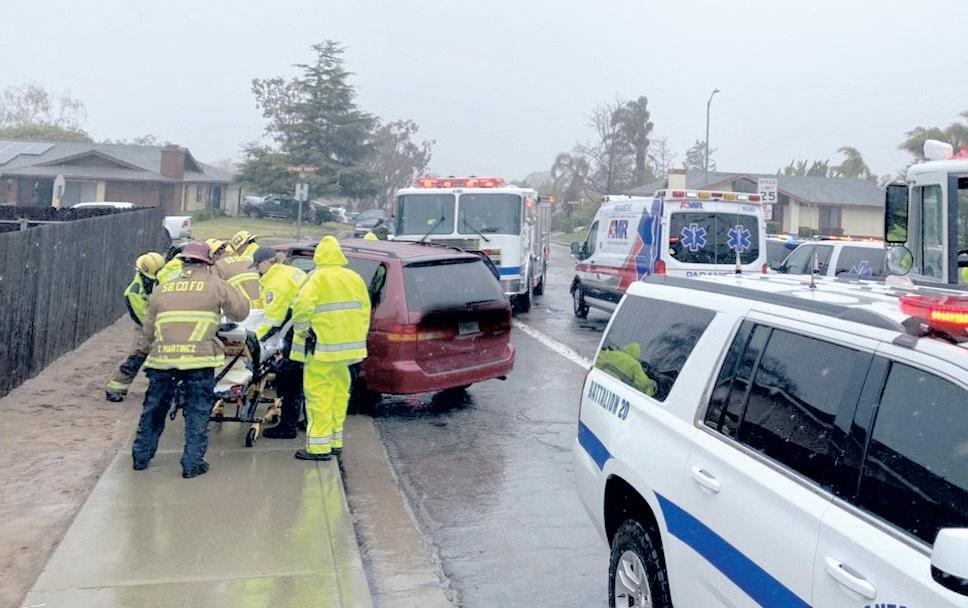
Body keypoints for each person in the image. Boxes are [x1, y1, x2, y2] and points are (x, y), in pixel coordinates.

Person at [132, 241, 250, 478]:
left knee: (154, 409)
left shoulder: (163, 288)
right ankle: (192, 464)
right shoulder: (216, 285)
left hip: (162, 361)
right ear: (207, 264)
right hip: (199, 361)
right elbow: (241, 312)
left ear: (182, 262)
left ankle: (141, 458)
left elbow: (148, 330)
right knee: (197, 412)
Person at [290, 236, 371, 460]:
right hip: (347, 352)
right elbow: (365, 310)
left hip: (322, 350)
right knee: (339, 395)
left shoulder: (316, 277)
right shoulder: (354, 278)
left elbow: (302, 305)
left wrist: (302, 329)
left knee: (318, 398)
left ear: (319, 256)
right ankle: (335, 441)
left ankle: (318, 448)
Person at [250, 246, 308, 439]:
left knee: (292, 380)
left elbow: (273, 322)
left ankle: (287, 427)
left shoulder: (275, 283)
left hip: (299, 334)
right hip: (311, 330)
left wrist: (253, 339)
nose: (257, 271)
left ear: (266, 263)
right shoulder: (291, 272)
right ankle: (308, 421)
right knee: (307, 381)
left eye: (257, 266)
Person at [104, 252, 166, 402]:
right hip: (146, 326)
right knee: (138, 354)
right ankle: (115, 387)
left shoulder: (160, 281)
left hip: (163, 322)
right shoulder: (134, 292)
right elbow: (144, 318)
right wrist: (158, 331)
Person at [211, 239, 262, 308]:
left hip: (243, 308)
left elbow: (214, 293)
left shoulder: (217, 266)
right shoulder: (248, 259)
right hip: (263, 305)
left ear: (214, 254)